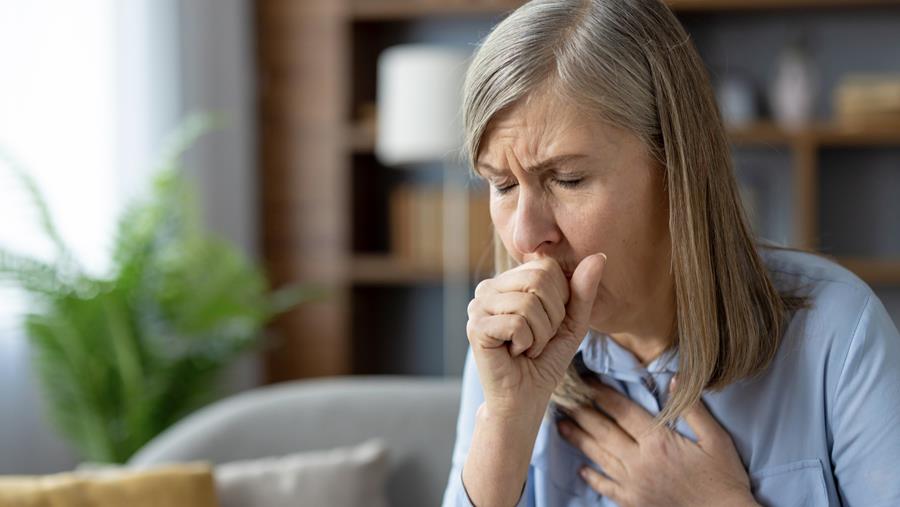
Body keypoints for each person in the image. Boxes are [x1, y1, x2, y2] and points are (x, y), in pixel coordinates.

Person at [441, 1, 900, 506]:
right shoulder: (504, 350)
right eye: (502, 184)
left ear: (675, 168)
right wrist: (504, 423)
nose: (526, 234)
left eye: (568, 179)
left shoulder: (838, 334)